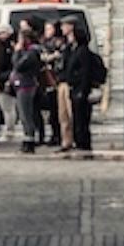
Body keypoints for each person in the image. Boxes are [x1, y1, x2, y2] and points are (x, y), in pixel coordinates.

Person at [63, 21, 103, 155]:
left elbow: (85, 72)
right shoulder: (73, 50)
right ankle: (78, 141)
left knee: (82, 118)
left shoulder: (83, 52)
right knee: (76, 117)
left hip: (81, 89)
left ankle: (83, 142)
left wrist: (82, 90)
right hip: (74, 87)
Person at [9, 24, 44, 152]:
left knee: (26, 114)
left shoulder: (32, 53)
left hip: (26, 85)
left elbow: (18, 65)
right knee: (23, 114)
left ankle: (30, 140)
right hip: (21, 85)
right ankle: (27, 138)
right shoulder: (27, 52)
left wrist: (17, 51)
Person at [37, 23, 63, 148]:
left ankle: (58, 135)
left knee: (56, 111)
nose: (47, 31)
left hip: (55, 79)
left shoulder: (58, 43)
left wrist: (50, 57)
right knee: (51, 111)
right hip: (46, 80)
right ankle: (54, 134)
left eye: (49, 28)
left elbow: (56, 57)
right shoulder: (43, 43)